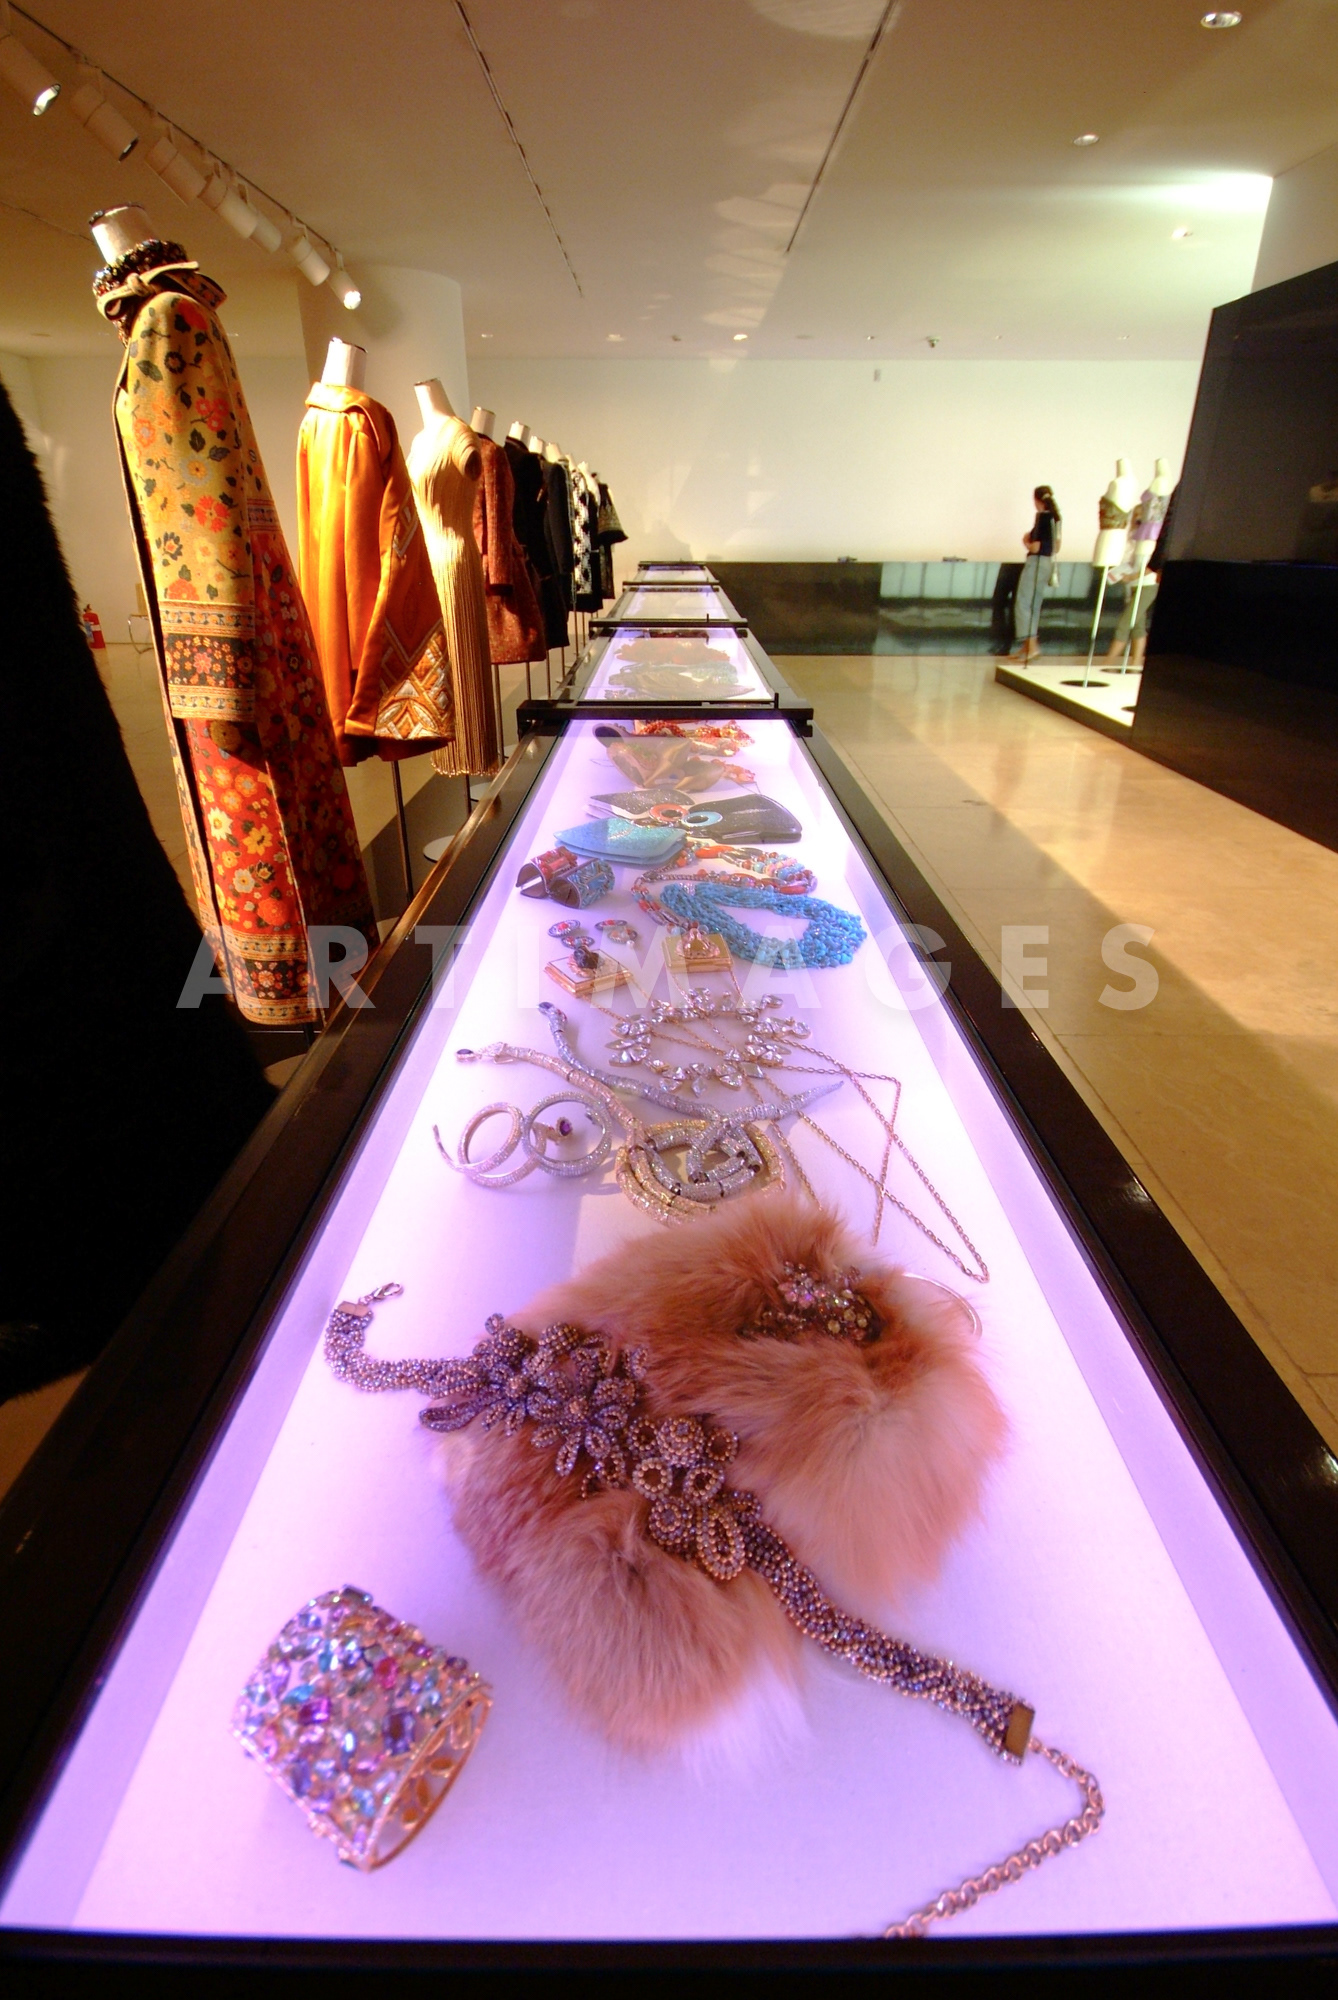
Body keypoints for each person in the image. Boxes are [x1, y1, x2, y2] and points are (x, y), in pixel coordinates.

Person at [1010, 485, 1061, 665]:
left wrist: (1026, 540)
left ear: (1037, 500)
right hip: (1047, 564)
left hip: (1036, 563)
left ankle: (1032, 646)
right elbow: (1056, 546)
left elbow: (1035, 547)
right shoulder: (1056, 517)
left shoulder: (1042, 517)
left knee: (1023, 603)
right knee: (1034, 604)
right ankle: (1027, 647)